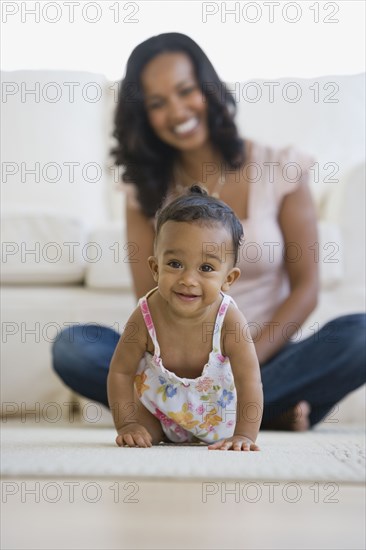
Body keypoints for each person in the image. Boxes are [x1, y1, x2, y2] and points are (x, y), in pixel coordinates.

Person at [52, 32, 365, 431]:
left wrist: (241, 364)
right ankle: (260, 410)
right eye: (157, 103)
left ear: (209, 89)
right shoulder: (142, 192)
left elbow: (306, 289)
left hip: (266, 357)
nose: (178, 111)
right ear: (142, 116)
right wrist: (192, 371)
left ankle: (219, 409)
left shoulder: (280, 167)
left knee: (360, 336)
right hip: (176, 369)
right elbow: (150, 295)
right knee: (75, 348)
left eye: (186, 91)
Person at [107, 185, 263, 449]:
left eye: (206, 268)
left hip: (219, 421)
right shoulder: (145, 316)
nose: (188, 280)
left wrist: (245, 435)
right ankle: (146, 428)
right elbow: (120, 372)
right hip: (158, 415)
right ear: (155, 268)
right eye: (175, 264)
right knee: (142, 435)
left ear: (229, 279)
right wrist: (127, 424)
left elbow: (249, 380)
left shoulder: (229, 320)